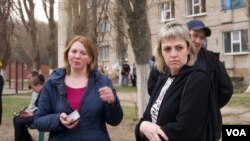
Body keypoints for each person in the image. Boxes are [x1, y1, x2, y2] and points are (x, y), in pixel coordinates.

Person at [34, 35, 123, 141]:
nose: (77, 56)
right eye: (74, 51)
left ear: (90, 59)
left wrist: (112, 103)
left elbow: (115, 121)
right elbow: (39, 121)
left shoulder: (103, 82)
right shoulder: (52, 83)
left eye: (83, 53)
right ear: (67, 54)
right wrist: (58, 120)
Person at [135, 22, 213, 141]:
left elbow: (184, 131)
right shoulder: (163, 78)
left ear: (188, 48)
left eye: (179, 47)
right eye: (167, 49)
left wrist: (145, 130)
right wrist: (141, 126)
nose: (173, 54)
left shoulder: (198, 80)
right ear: (161, 52)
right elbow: (146, 117)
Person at [187, 19, 233, 140]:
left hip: (207, 124)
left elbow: (226, 89)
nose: (198, 41)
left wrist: (210, 105)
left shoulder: (211, 60)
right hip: (181, 124)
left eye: (202, 38)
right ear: (186, 35)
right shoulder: (175, 58)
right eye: (195, 35)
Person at [13, 73, 45, 141]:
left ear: (39, 85)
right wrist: (29, 112)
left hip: (42, 116)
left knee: (18, 121)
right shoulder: (42, 91)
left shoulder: (45, 92)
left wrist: (32, 113)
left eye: (34, 88)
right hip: (38, 114)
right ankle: (26, 139)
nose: (33, 90)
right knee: (17, 119)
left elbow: (44, 109)